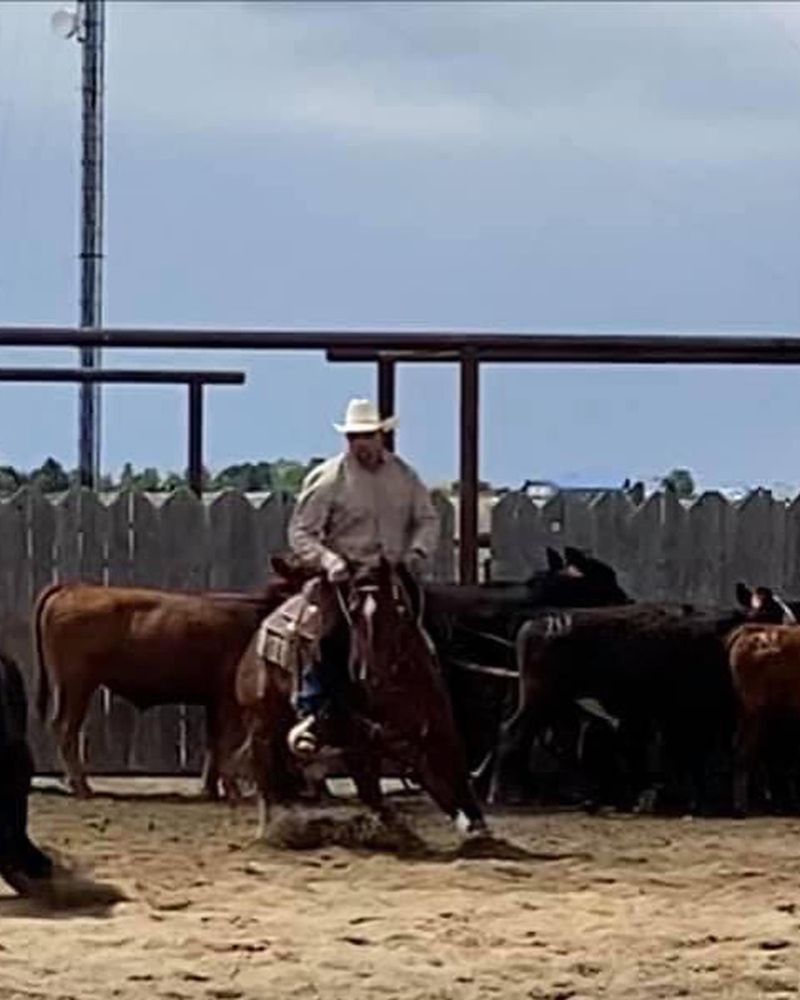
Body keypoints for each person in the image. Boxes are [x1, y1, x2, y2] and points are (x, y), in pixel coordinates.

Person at [285, 397, 440, 757]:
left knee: (433, 630)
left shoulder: (404, 476)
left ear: (381, 436)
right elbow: (302, 532)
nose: (361, 443)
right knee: (325, 634)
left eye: (367, 435)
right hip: (346, 577)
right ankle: (314, 710)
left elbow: (427, 519)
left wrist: (417, 551)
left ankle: (436, 710)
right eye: (354, 436)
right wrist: (327, 560)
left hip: (394, 574)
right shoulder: (328, 479)